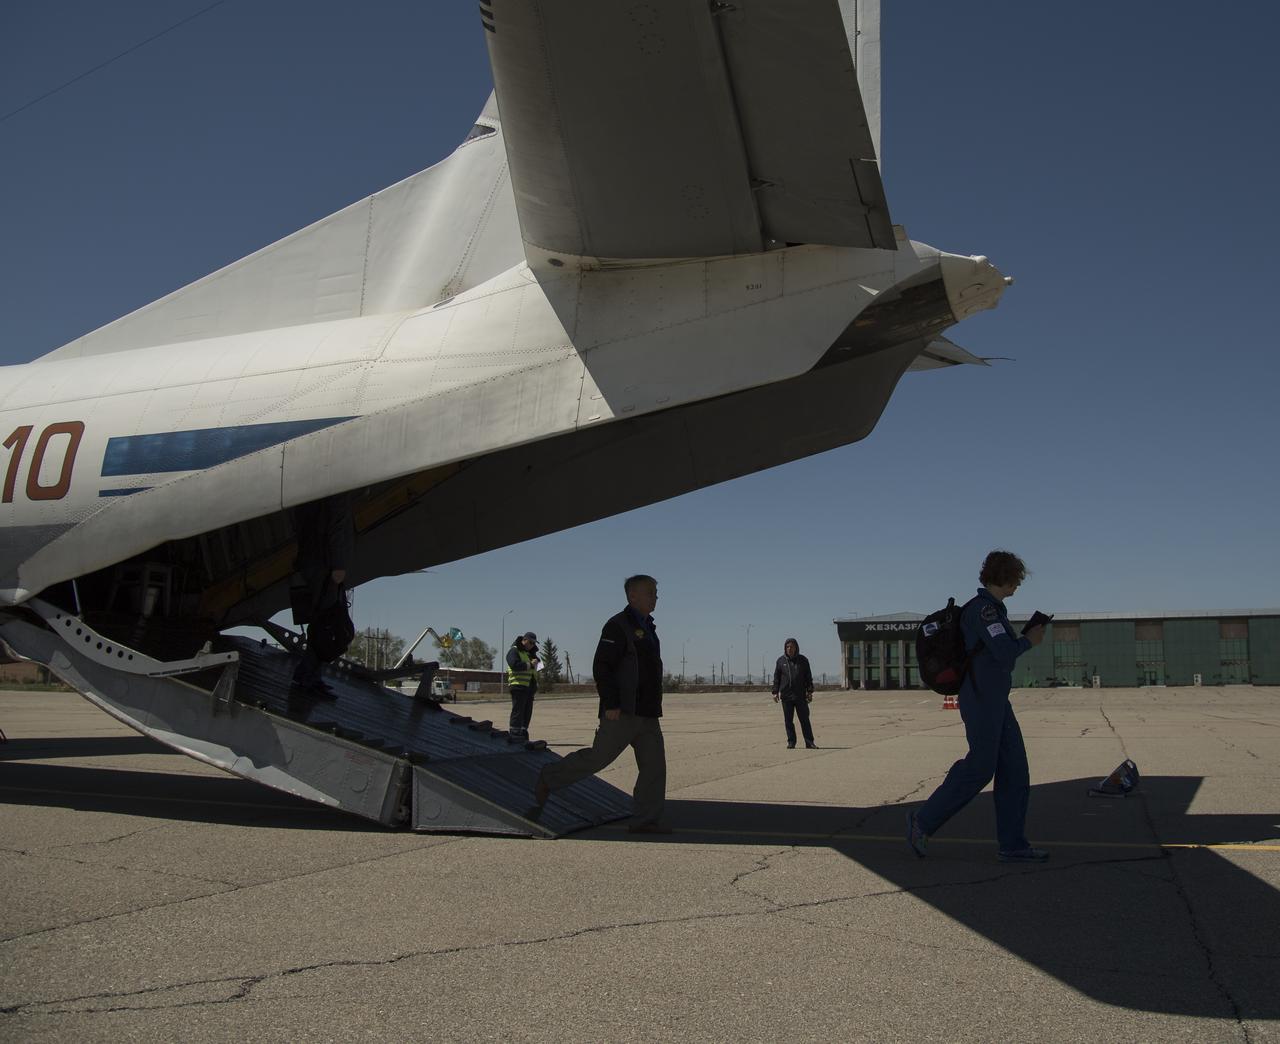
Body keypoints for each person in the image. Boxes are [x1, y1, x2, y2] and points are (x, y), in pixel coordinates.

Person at [907, 550, 1049, 862]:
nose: (1018, 586)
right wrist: (1029, 640)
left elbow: (1000, 651)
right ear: (1005, 576)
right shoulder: (984, 611)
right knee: (980, 766)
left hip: (997, 701)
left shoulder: (993, 609)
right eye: (1016, 579)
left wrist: (1022, 639)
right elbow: (1005, 653)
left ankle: (1013, 844)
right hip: (982, 699)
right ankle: (923, 821)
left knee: (1014, 770)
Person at [533, 574, 669, 833]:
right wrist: (611, 703)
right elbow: (603, 666)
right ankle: (549, 777)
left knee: (654, 767)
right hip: (623, 710)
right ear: (632, 596)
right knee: (598, 758)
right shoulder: (618, 626)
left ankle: (646, 820)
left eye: (655, 593)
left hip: (648, 712)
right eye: (650, 592)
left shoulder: (648, 626)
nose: (656, 598)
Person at [290, 493, 353, 698]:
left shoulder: (309, 498)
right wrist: (338, 565)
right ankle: (306, 676)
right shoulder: (336, 496)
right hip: (325, 567)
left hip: (310, 563)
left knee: (320, 624)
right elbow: (336, 529)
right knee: (325, 625)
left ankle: (311, 676)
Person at [772, 638, 817, 748]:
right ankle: (791, 742)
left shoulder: (803, 660)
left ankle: (809, 742)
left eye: (792, 647)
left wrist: (810, 691)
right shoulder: (780, 661)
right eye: (787, 647)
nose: (789, 649)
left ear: (796, 647)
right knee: (788, 720)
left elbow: (808, 677)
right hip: (786, 696)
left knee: (804, 719)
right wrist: (775, 692)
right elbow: (776, 678)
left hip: (800, 695)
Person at [506, 631, 540, 740]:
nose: (532, 645)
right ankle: (514, 732)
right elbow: (514, 664)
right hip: (518, 686)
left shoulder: (529, 654)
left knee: (527, 711)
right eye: (530, 642)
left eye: (534, 643)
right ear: (524, 640)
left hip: (529, 689)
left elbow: (534, 670)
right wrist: (530, 664)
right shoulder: (514, 651)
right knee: (518, 711)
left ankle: (523, 731)